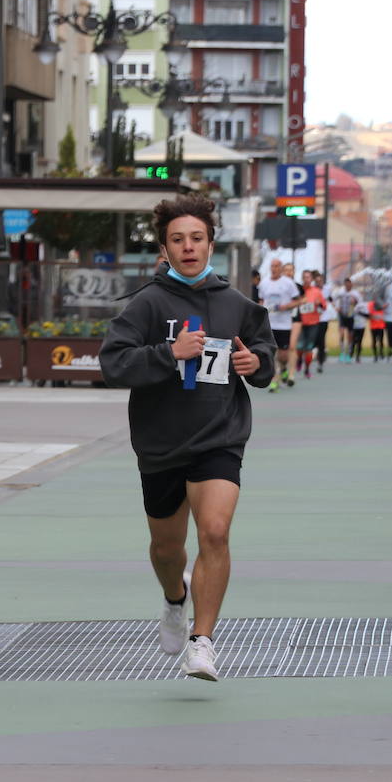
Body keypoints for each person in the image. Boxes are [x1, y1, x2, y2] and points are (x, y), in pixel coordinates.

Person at [100, 194, 275, 681]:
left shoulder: (235, 303)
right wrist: (168, 352)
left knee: (215, 531)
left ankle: (203, 642)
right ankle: (174, 597)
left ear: (211, 243)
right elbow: (114, 364)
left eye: (196, 238)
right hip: (160, 442)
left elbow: (263, 351)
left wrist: (256, 364)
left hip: (219, 436)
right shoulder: (147, 304)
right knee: (166, 549)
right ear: (164, 248)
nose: (188, 246)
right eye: (177, 239)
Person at [258, 258, 299, 392]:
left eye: (277, 266)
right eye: (272, 266)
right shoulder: (264, 283)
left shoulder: (288, 283)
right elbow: (261, 301)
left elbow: (298, 301)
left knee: (283, 356)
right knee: (271, 354)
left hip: (284, 324)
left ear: (281, 268)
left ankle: (284, 368)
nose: (274, 268)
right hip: (270, 324)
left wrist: (285, 306)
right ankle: (274, 381)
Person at [293, 273, 326, 379]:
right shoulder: (298, 291)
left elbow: (324, 307)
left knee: (309, 347)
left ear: (311, 279)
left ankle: (307, 369)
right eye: (305, 277)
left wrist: (318, 304)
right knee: (299, 346)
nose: (306, 279)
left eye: (308, 277)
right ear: (302, 278)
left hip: (313, 323)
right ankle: (298, 360)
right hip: (300, 323)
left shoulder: (317, 292)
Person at [333, 278, 360, 363]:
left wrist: (354, 302)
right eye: (346, 284)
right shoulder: (340, 292)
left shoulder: (355, 293)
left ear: (351, 285)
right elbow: (333, 299)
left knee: (350, 335)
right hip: (342, 314)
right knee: (341, 333)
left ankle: (348, 353)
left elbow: (360, 303)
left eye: (349, 284)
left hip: (351, 315)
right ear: (344, 285)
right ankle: (341, 353)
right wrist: (336, 307)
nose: (348, 286)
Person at [368, 297, 387, 361]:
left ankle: (381, 353)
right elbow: (370, 313)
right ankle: (375, 355)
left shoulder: (382, 304)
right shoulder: (371, 304)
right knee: (374, 341)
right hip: (373, 326)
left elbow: (385, 307)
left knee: (381, 341)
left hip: (381, 326)